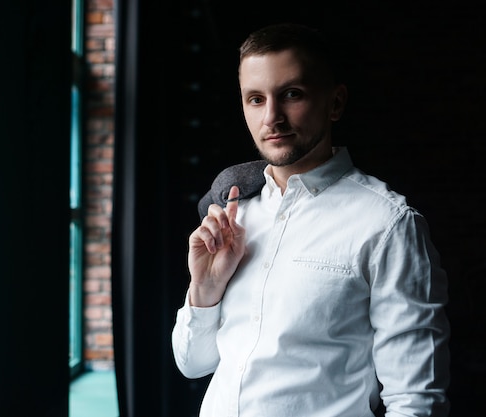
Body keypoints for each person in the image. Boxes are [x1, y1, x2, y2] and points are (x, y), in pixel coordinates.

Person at [171, 22, 450, 417]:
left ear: (335, 103)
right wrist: (206, 288)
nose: (272, 117)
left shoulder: (388, 224)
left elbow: (416, 400)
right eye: (255, 99)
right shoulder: (237, 214)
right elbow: (192, 364)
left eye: (291, 95)